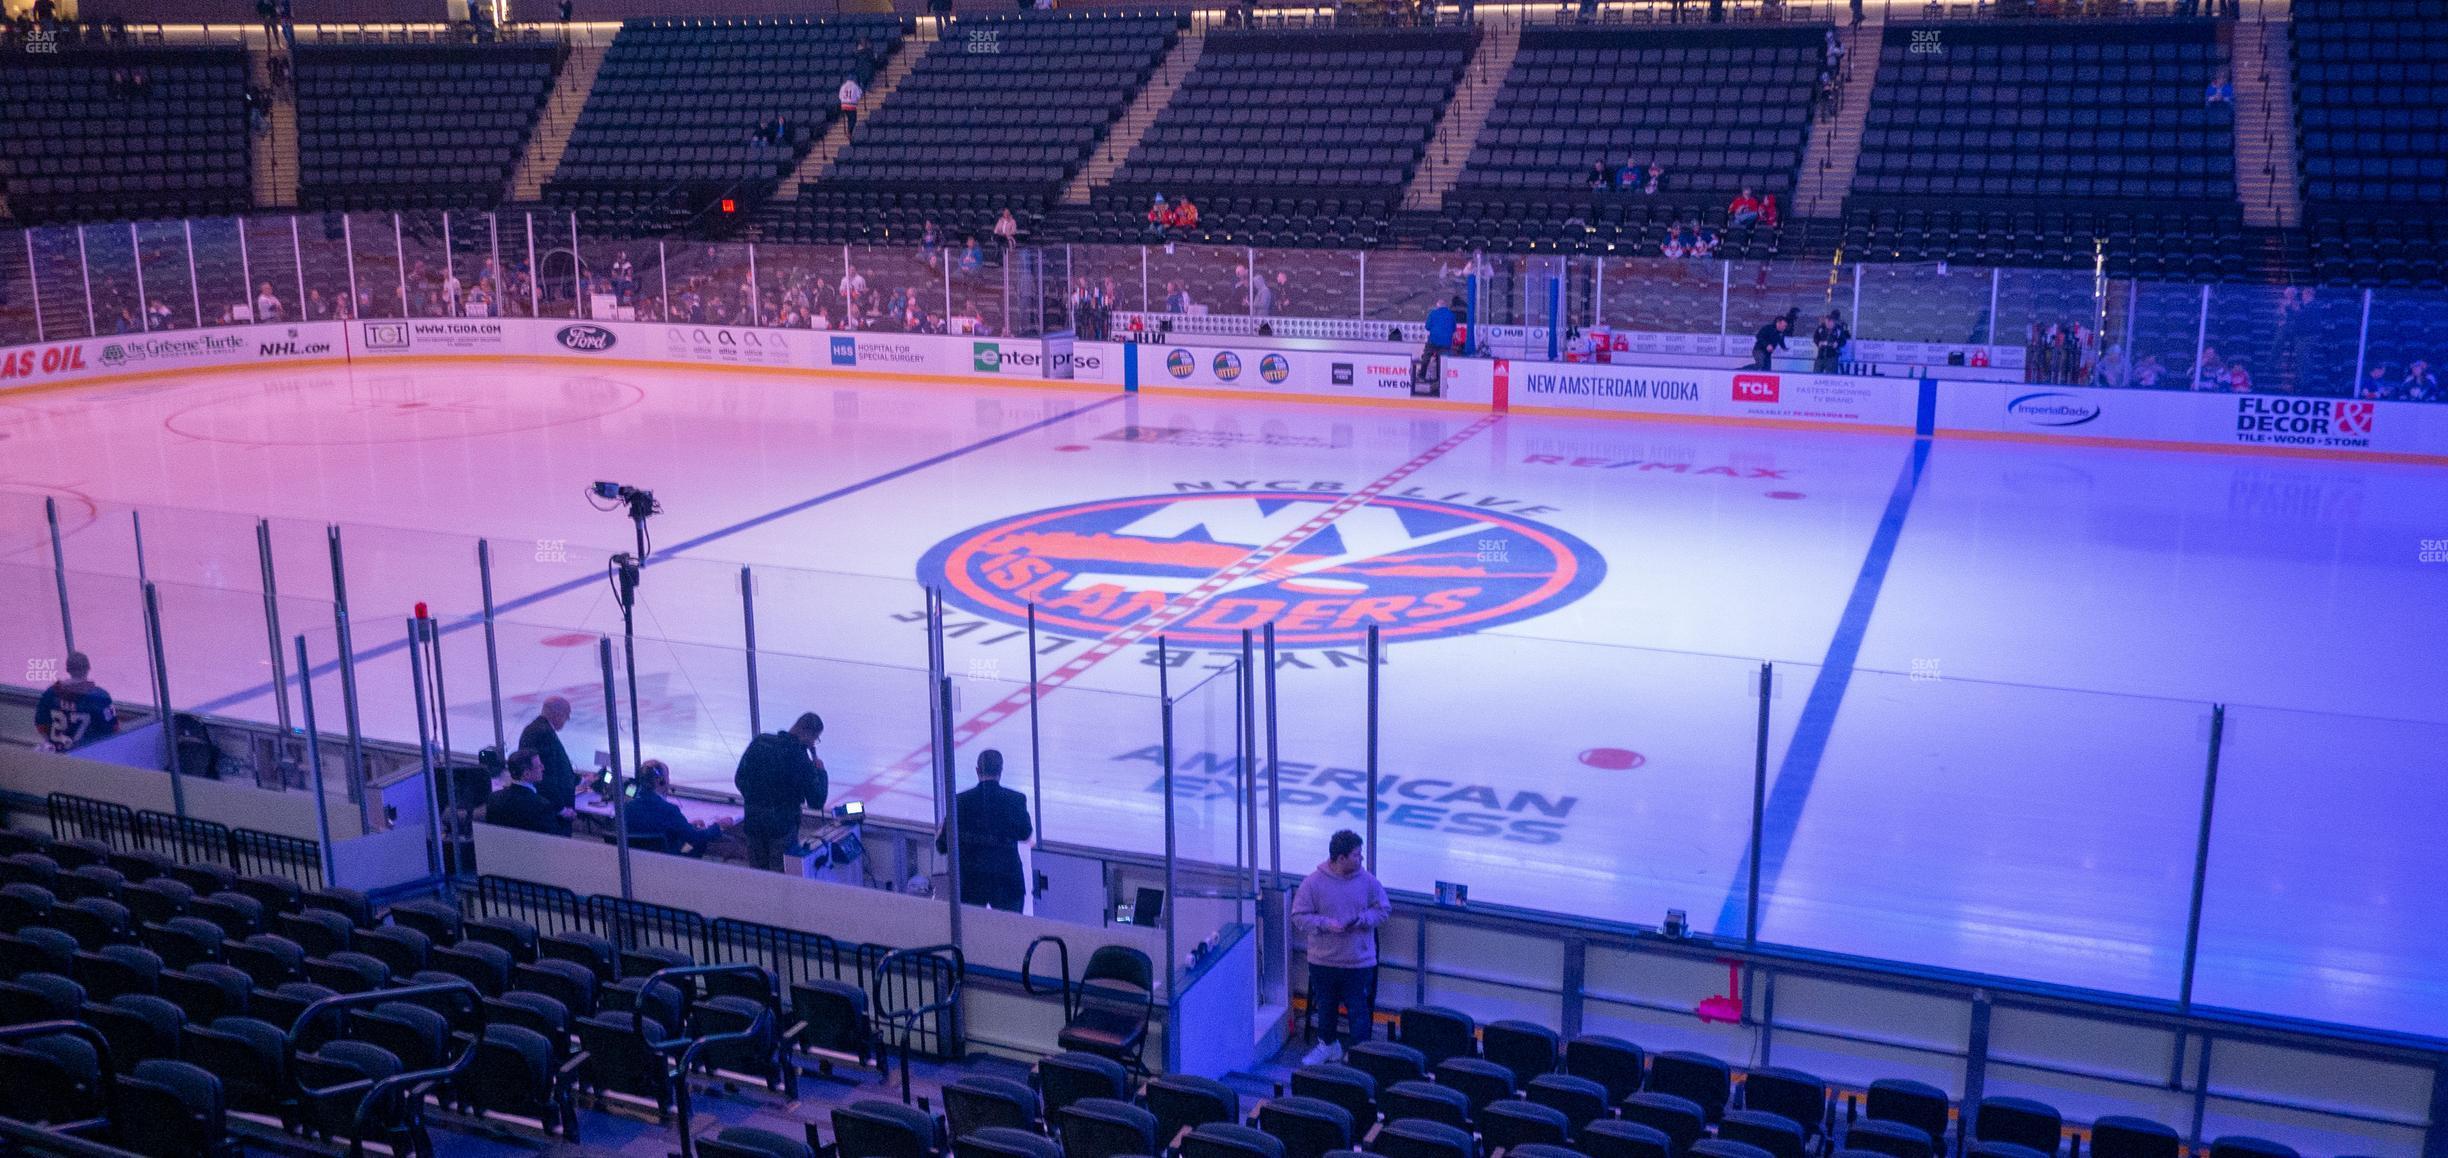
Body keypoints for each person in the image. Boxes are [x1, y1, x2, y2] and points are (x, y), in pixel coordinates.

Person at [1292, 830, 1390, 1066]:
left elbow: (1383, 910)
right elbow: (1299, 916)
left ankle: (1359, 1054)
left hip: (1358, 962)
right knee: (1326, 1007)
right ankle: (1328, 1045)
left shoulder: (1368, 882)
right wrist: (1326, 924)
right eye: (1357, 855)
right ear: (1341, 858)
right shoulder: (1313, 883)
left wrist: (1364, 919)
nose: (1361, 859)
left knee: (1358, 1010)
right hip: (1323, 961)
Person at [936, 749, 1032, 912]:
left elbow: (942, 846)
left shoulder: (960, 801)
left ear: (977, 771)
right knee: (1009, 932)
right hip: (1007, 882)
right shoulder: (1016, 800)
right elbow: (1025, 833)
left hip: (971, 883)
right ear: (1000, 771)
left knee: (971, 934)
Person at [734, 712, 828, 872]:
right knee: (780, 881)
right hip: (782, 831)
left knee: (757, 877)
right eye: (815, 739)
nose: (814, 743)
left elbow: (739, 778)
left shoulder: (760, 742)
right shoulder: (800, 759)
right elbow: (816, 801)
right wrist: (821, 772)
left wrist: (755, 800)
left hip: (754, 823)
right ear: (808, 735)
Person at [625, 760, 730, 856]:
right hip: (668, 862)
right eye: (667, 778)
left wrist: (687, 826)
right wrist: (718, 826)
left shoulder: (626, 808)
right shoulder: (669, 810)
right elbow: (694, 837)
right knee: (696, 843)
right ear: (661, 781)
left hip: (637, 861)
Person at [34, 652, 116, 753]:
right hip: (87, 755)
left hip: (57, 754)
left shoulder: (51, 693)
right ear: (88, 669)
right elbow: (112, 730)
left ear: (67, 669)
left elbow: (41, 724)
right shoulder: (100, 697)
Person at [518, 696, 581, 825]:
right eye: (566, 715)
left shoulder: (539, 729)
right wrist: (561, 809)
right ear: (557, 714)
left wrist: (580, 780)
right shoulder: (543, 733)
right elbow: (546, 776)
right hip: (552, 812)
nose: (567, 719)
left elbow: (556, 769)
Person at [483, 748, 566, 835]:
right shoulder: (542, 806)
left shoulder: (493, 799)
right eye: (538, 766)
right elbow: (553, 839)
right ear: (526, 774)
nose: (543, 768)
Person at [1812, 309, 1850, 374]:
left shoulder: (1838, 329)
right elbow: (1815, 337)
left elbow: (1843, 341)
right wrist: (1818, 342)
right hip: (1820, 356)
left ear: (1833, 322)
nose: (1828, 325)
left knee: (1831, 375)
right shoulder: (1821, 328)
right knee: (1816, 374)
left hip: (1832, 357)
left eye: (1829, 323)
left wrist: (1837, 344)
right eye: (1826, 322)